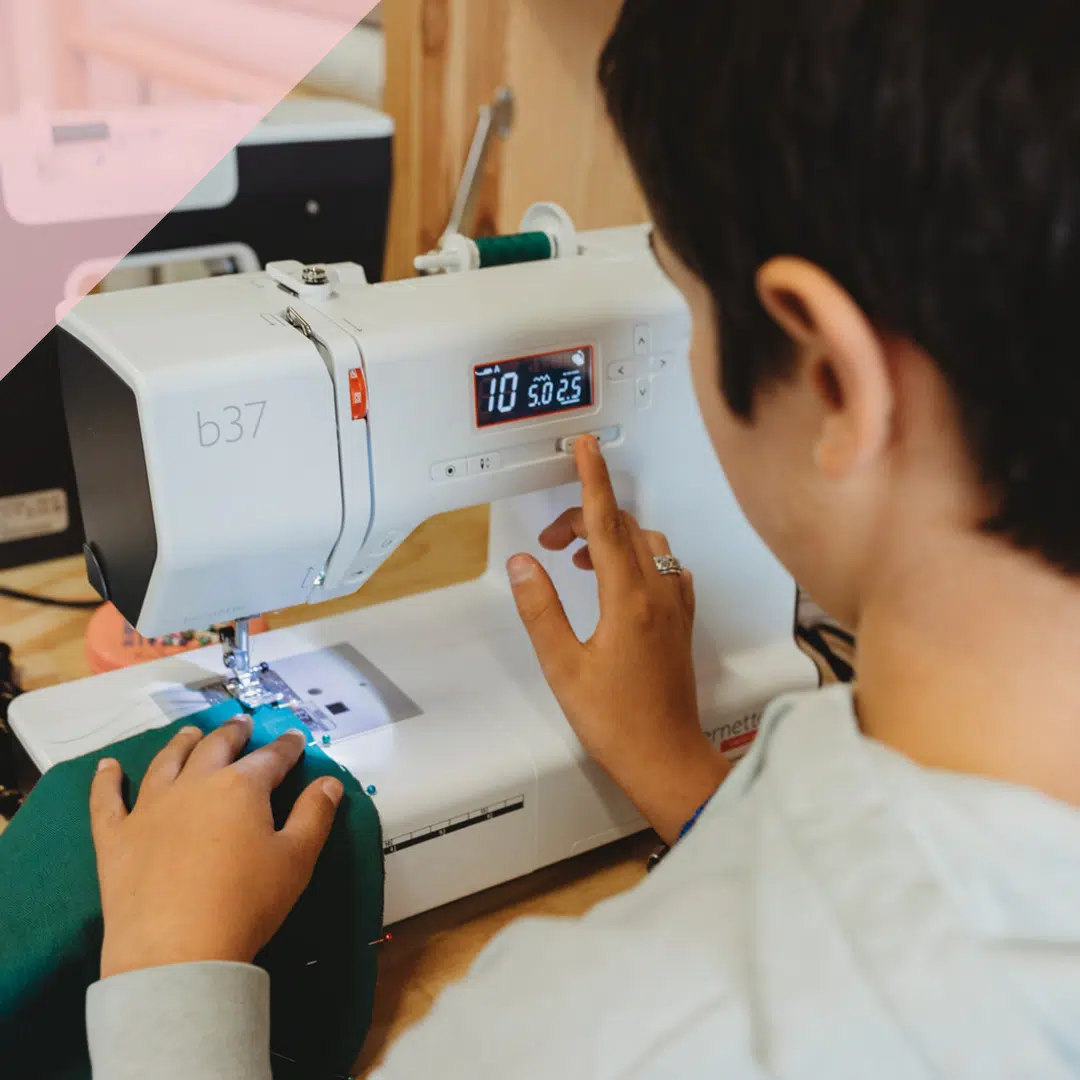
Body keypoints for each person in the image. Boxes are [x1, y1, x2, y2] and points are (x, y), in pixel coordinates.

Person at [84, 0, 1080, 1075]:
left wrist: (169, 963)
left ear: (835, 380)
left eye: (683, 295)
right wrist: (686, 781)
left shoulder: (590, 1037)